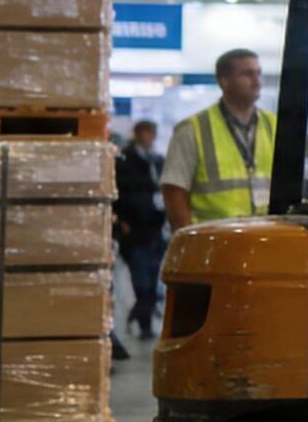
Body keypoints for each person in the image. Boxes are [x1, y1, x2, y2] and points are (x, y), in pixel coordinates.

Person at [163, 50, 277, 229]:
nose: (257, 81)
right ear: (224, 82)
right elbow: (174, 191)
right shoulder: (192, 129)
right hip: (216, 244)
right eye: (247, 74)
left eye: (258, 73)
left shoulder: (274, 125)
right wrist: (190, 241)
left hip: (264, 240)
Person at [115, 119, 168, 339]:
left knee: (153, 278)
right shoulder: (124, 160)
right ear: (138, 133)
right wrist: (121, 222)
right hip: (134, 230)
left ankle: (141, 315)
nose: (150, 137)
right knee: (141, 281)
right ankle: (144, 322)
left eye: (152, 133)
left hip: (154, 228)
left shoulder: (156, 160)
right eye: (146, 132)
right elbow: (118, 192)